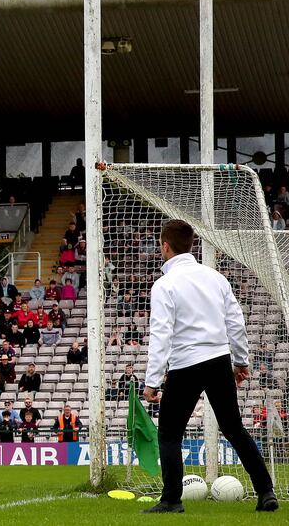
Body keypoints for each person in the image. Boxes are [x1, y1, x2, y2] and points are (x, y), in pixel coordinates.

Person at [142, 220, 277, 514]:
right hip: (218, 361)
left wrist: (152, 380)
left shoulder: (164, 285)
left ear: (165, 246)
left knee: (169, 433)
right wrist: (241, 361)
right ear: (191, 245)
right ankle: (266, 491)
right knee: (234, 429)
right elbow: (236, 323)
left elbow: (161, 334)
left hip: (185, 364)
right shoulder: (215, 277)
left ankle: (171, 500)